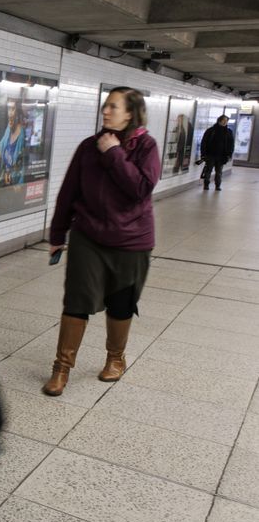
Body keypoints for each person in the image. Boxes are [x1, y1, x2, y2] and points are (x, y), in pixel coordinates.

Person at [42, 87, 160, 397]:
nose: (105, 111)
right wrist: (57, 235)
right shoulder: (87, 147)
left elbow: (140, 188)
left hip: (132, 240)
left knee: (121, 303)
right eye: (105, 106)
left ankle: (115, 359)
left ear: (131, 113)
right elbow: (69, 192)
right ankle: (61, 368)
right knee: (76, 300)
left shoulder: (146, 147)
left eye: (113, 106)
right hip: (89, 236)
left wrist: (114, 154)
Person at [200, 115, 234, 190]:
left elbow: (231, 144)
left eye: (226, 121)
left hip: (222, 156)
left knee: (219, 172)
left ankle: (217, 185)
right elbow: (204, 142)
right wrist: (203, 154)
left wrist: (229, 154)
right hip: (210, 155)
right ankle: (206, 185)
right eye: (224, 120)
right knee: (208, 170)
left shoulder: (228, 132)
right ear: (219, 120)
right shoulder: (211, 130)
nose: (225, 122)